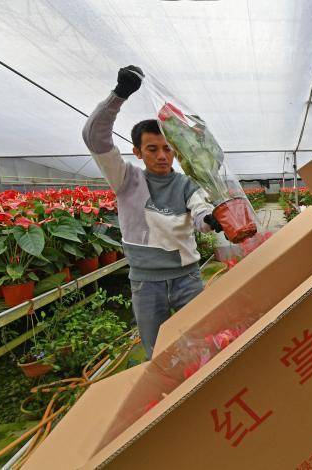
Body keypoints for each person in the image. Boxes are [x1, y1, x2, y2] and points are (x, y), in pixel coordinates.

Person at [82, 65, 223, 358]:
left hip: (188, 278)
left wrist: (211, 219)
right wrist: (119, 95)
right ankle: (166, 399)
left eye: (167, 148)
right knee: (157, 352)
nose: (161, 156)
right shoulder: (126, 179)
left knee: (201, 343)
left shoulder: (185, 183)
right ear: (137, 152)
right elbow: (94, 137)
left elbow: (200, 212)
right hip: (146, 283)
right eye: (152, 149)